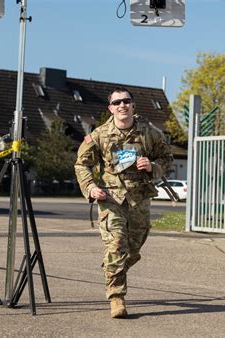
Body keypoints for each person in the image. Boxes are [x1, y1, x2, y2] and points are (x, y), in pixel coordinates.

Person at [74, 87, 173, 318]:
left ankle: (112, 267)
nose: (122, 106)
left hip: (139, 197)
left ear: (133, 105)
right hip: (112, 198)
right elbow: (81, 164)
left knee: (133, 249)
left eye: (126, 101)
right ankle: (116, 297)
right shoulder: (99, 135)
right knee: (117, 244)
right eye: (117, 102)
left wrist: (152, 167)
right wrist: (90, 187)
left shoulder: (149, 133)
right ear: (110, 108)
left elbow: (167, 158)